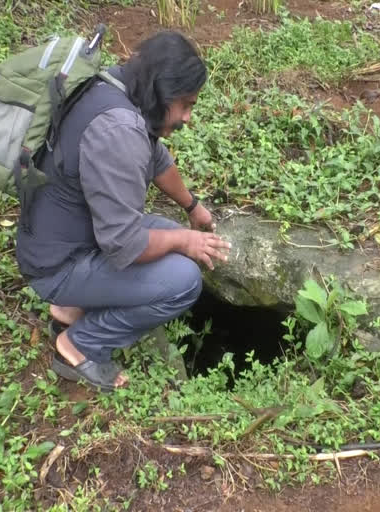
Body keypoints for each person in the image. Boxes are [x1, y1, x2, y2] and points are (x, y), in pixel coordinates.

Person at [15, 31, 231, 391]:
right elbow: (124, 244)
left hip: (65, 237)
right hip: (57, 265)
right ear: (163, 92)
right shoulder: (119, 131)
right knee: (183, 281)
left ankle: (70, 309)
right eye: (186, 104)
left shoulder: (115, 88)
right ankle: (81, 344)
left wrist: (193, 207)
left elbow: (156, 157)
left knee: (169, 234)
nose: (188, 117)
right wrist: (183, 240)